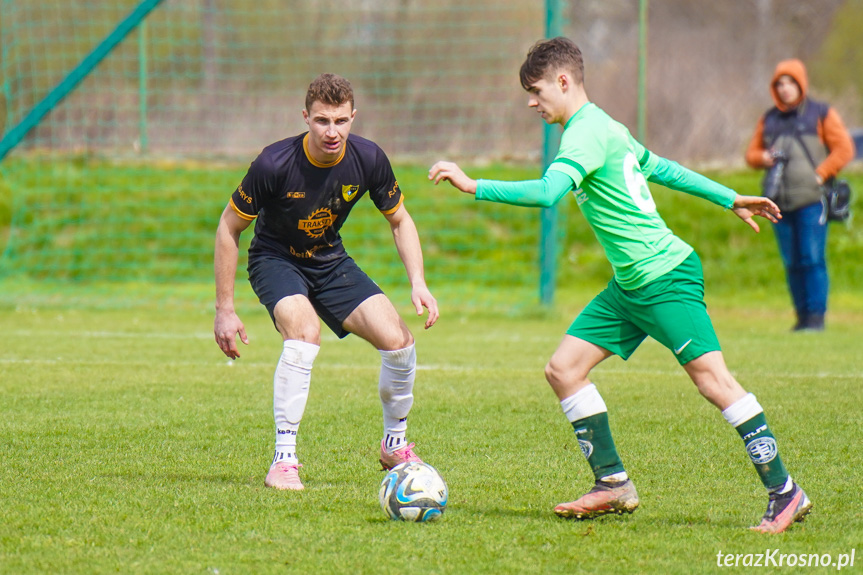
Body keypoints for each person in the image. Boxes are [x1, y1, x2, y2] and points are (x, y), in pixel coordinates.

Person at [430, 37, 810, 533]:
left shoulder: (585, 134)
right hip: (630, 286)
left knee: (715, 383)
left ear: (563, 82)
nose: (531, 101)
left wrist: (473, 184)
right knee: (564, 369)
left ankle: (785, 492)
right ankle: (612, 484)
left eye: (536, 90)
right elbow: (662, 168)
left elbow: (549, 193)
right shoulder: (607, 125)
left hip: (665, 278)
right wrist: (728, 197)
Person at [214, 73, 439, 491]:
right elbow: (229, 228)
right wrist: (224, 309)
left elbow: (400, 220)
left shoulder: (369, 159)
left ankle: (394, 445)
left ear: (353, 117)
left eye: (340, 121)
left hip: (329, 260)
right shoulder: (273, 164)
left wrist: (418, 281)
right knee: (304, 333)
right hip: (274, 260)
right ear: (305, 118)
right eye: (321, 121)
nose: (331, 132)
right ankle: (284, 460)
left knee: (399, 342)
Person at [745, 59, 855, 332]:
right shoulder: (769, 119)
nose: (785, 89)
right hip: (778, 203)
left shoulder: (820, 113)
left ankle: (816, 317)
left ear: (801, 85)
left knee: (811, 258)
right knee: (792, 262)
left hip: (811, 200)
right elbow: (751, 155)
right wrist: (765, 157)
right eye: (780, 84)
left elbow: (844, 149)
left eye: (790, 83)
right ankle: (801, 317)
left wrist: (820, 174)